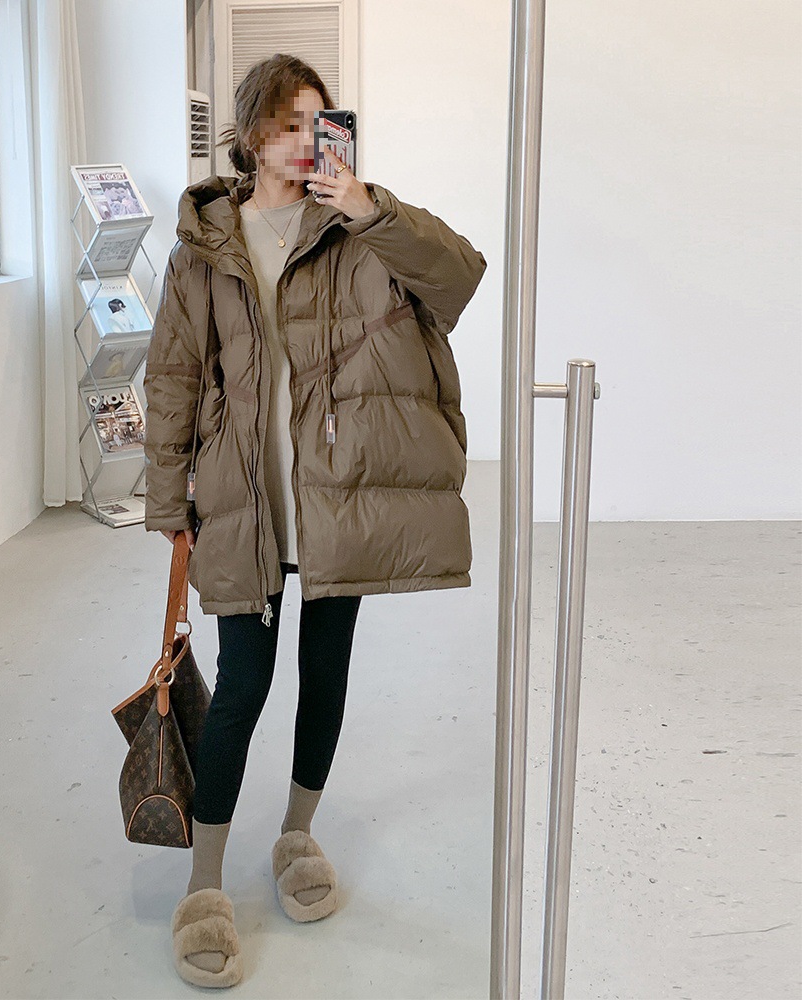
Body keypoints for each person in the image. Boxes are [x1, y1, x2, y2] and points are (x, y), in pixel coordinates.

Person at [143, 53, 487, 988]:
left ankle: (296, 836)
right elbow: (173, 375)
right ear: (255, 134)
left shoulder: (359, 227)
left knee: (325, 672)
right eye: (292, 124)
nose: (309, 140)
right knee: (243, 688)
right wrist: (170, 501)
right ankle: (203, 885)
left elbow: (459, 280)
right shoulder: (205, 245)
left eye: (322, 123)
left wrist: (371, 207)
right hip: (248, 502)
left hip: (338, 497)